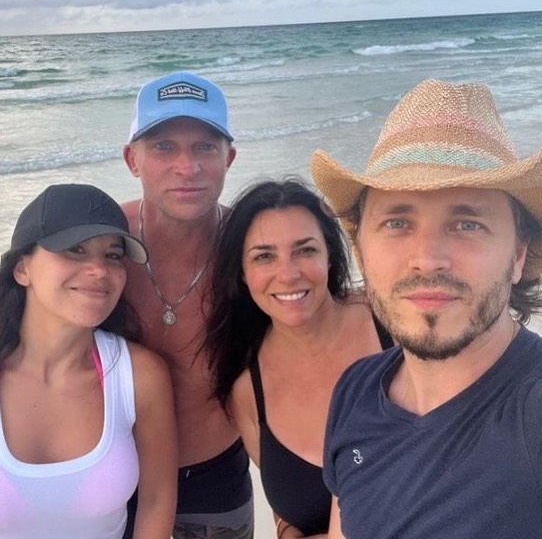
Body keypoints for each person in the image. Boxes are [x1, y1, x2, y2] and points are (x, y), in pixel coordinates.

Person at [310, 78, 542, 538]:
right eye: (397, 222)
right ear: (361, 250)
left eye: (467, 223)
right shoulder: (356, 389)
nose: (428, 258)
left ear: (517, 255)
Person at [204, 178, 394, 539]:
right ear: (242, 274)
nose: (288, 274)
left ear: (329, 256)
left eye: (305, 250)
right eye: (264, 256)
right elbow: (290, 510)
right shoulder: (248, 390)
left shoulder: (393, 325)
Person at [0, 183, 177, 539]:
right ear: (23, 269)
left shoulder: (139, 376)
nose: (99, 270)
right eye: (75, 250)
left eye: (112, 255)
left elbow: (157, 499)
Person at [121, 71, 253, 539]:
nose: (187, 166)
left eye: (204, 147)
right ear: (131, 159)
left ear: (228, 158)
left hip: (215, 476)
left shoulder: (253, 248)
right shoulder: (100, 244)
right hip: (111, 479)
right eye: (163, 147)